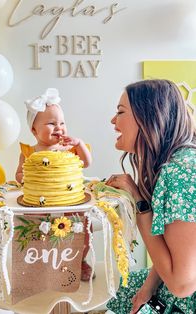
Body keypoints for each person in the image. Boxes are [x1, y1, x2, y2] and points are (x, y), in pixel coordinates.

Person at [105, 79, 196, 314]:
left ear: (147, 117)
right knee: (124, 290)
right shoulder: (178, 163)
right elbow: (179, 248)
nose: (113, 121)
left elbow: (182, 285)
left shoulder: (180, 173)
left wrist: (140, 204)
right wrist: (148, 287)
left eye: (120, 112)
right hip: (174, 281)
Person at [16, 88, 93, 281]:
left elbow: (87, 162)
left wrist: (80, 144)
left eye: (62, 122)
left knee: (83, 229)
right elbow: (19, 174)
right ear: (34, 130)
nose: (59, 127)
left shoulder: (69, 148)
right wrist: (23, 178)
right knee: (36, 233)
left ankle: (79, 260)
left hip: (70, 203)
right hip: (38, 206)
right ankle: (41, 264)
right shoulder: (29, 152)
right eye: (51, 123)